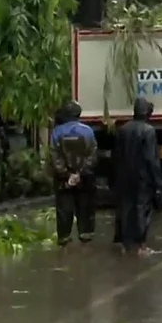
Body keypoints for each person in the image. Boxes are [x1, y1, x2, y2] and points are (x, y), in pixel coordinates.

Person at [113, 97, 162, 255]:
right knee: (142, 209)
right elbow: (151, 159)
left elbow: (116, 155)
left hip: (124, 175)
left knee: (125, 208)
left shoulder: (123, 129)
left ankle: (123, 243)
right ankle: (141, 245)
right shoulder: (148, 131)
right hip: (143, 177)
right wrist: (158, 182)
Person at [49, 101, 97, 246]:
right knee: (85, 205)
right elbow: (92, 155)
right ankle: (85, 233)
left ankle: (64, 236)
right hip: (84, 178)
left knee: (64, 207)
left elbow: (54, 157)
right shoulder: (88, 131)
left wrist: (66, 174)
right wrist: (80, 174)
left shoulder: (57, 132)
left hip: (63, 179)